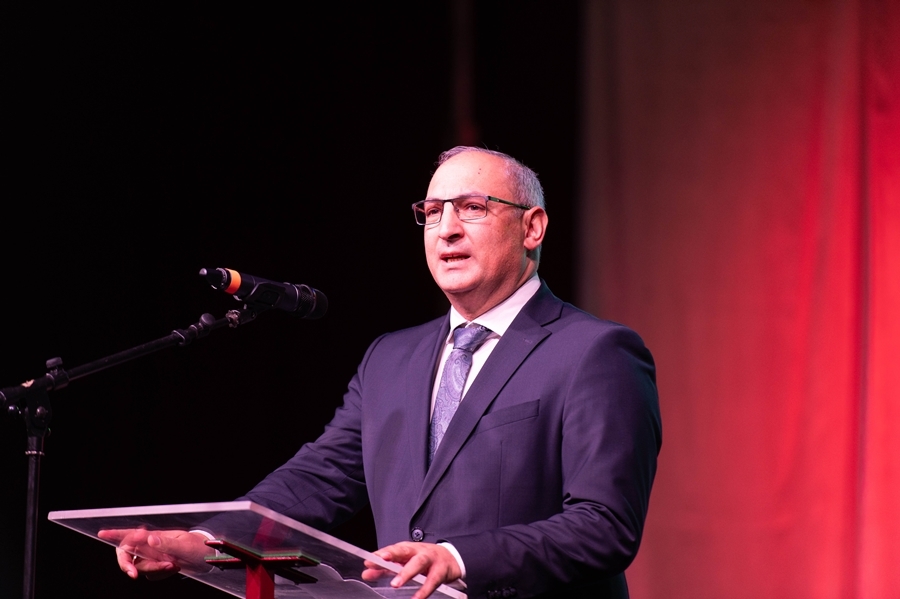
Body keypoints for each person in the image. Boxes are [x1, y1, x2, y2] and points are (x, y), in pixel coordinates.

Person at [101, 147, 662, 599]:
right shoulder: (391, 357)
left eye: (472, 207)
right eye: (432, 212)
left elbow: (604, 525)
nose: (446, 230)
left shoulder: (595, 352)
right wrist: (209, 541)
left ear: (532, 227)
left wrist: (459, 558)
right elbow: (320, 479)